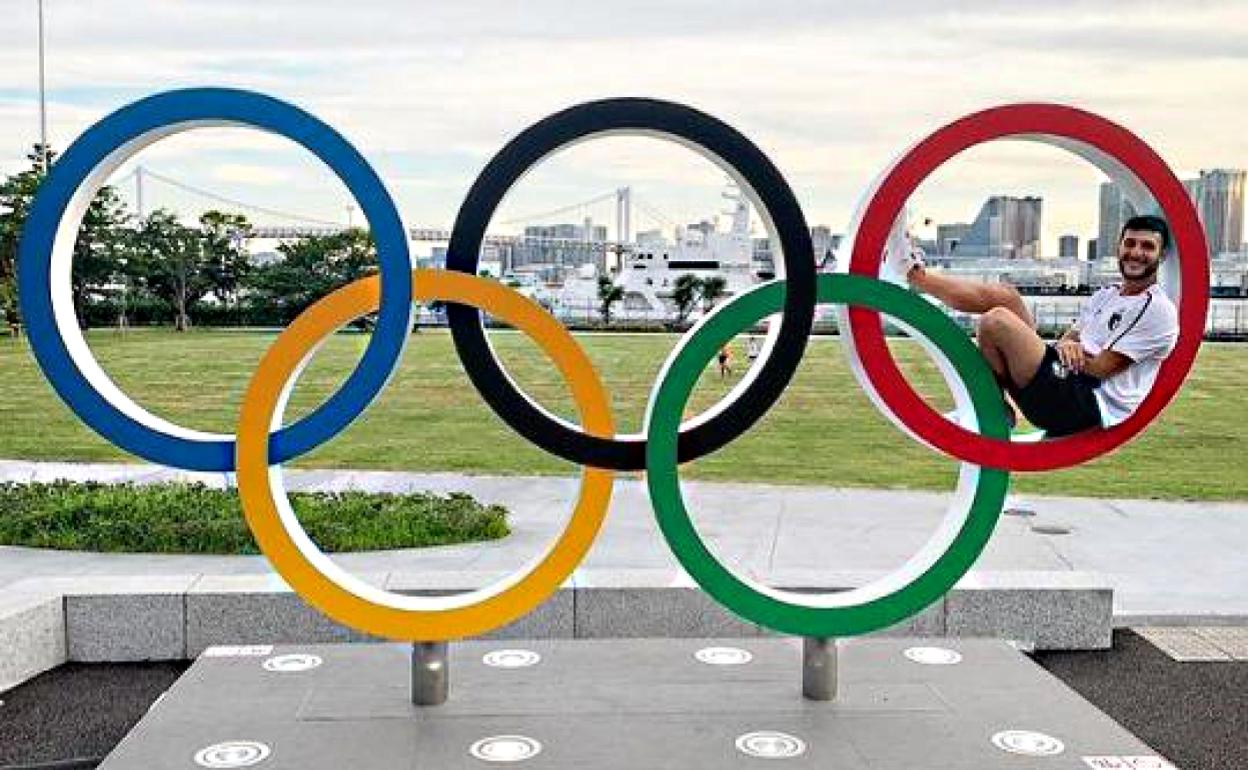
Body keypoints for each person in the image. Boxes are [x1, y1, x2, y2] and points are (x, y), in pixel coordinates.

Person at [888, 214, 1179, 437]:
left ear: (1161, 255)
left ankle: (985, 410)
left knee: (997, 321)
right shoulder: (1108, 294)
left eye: (1147, 247)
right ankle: (914, 274)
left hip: (1085, 403)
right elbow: (1071, 337)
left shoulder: (1156, 310)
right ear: (1119, 246)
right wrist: (1067, 345)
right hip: (1064, 380)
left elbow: (1102, 368)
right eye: (1130, 243)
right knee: (1007, 296)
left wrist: (1069, 349)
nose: (1136, 253)